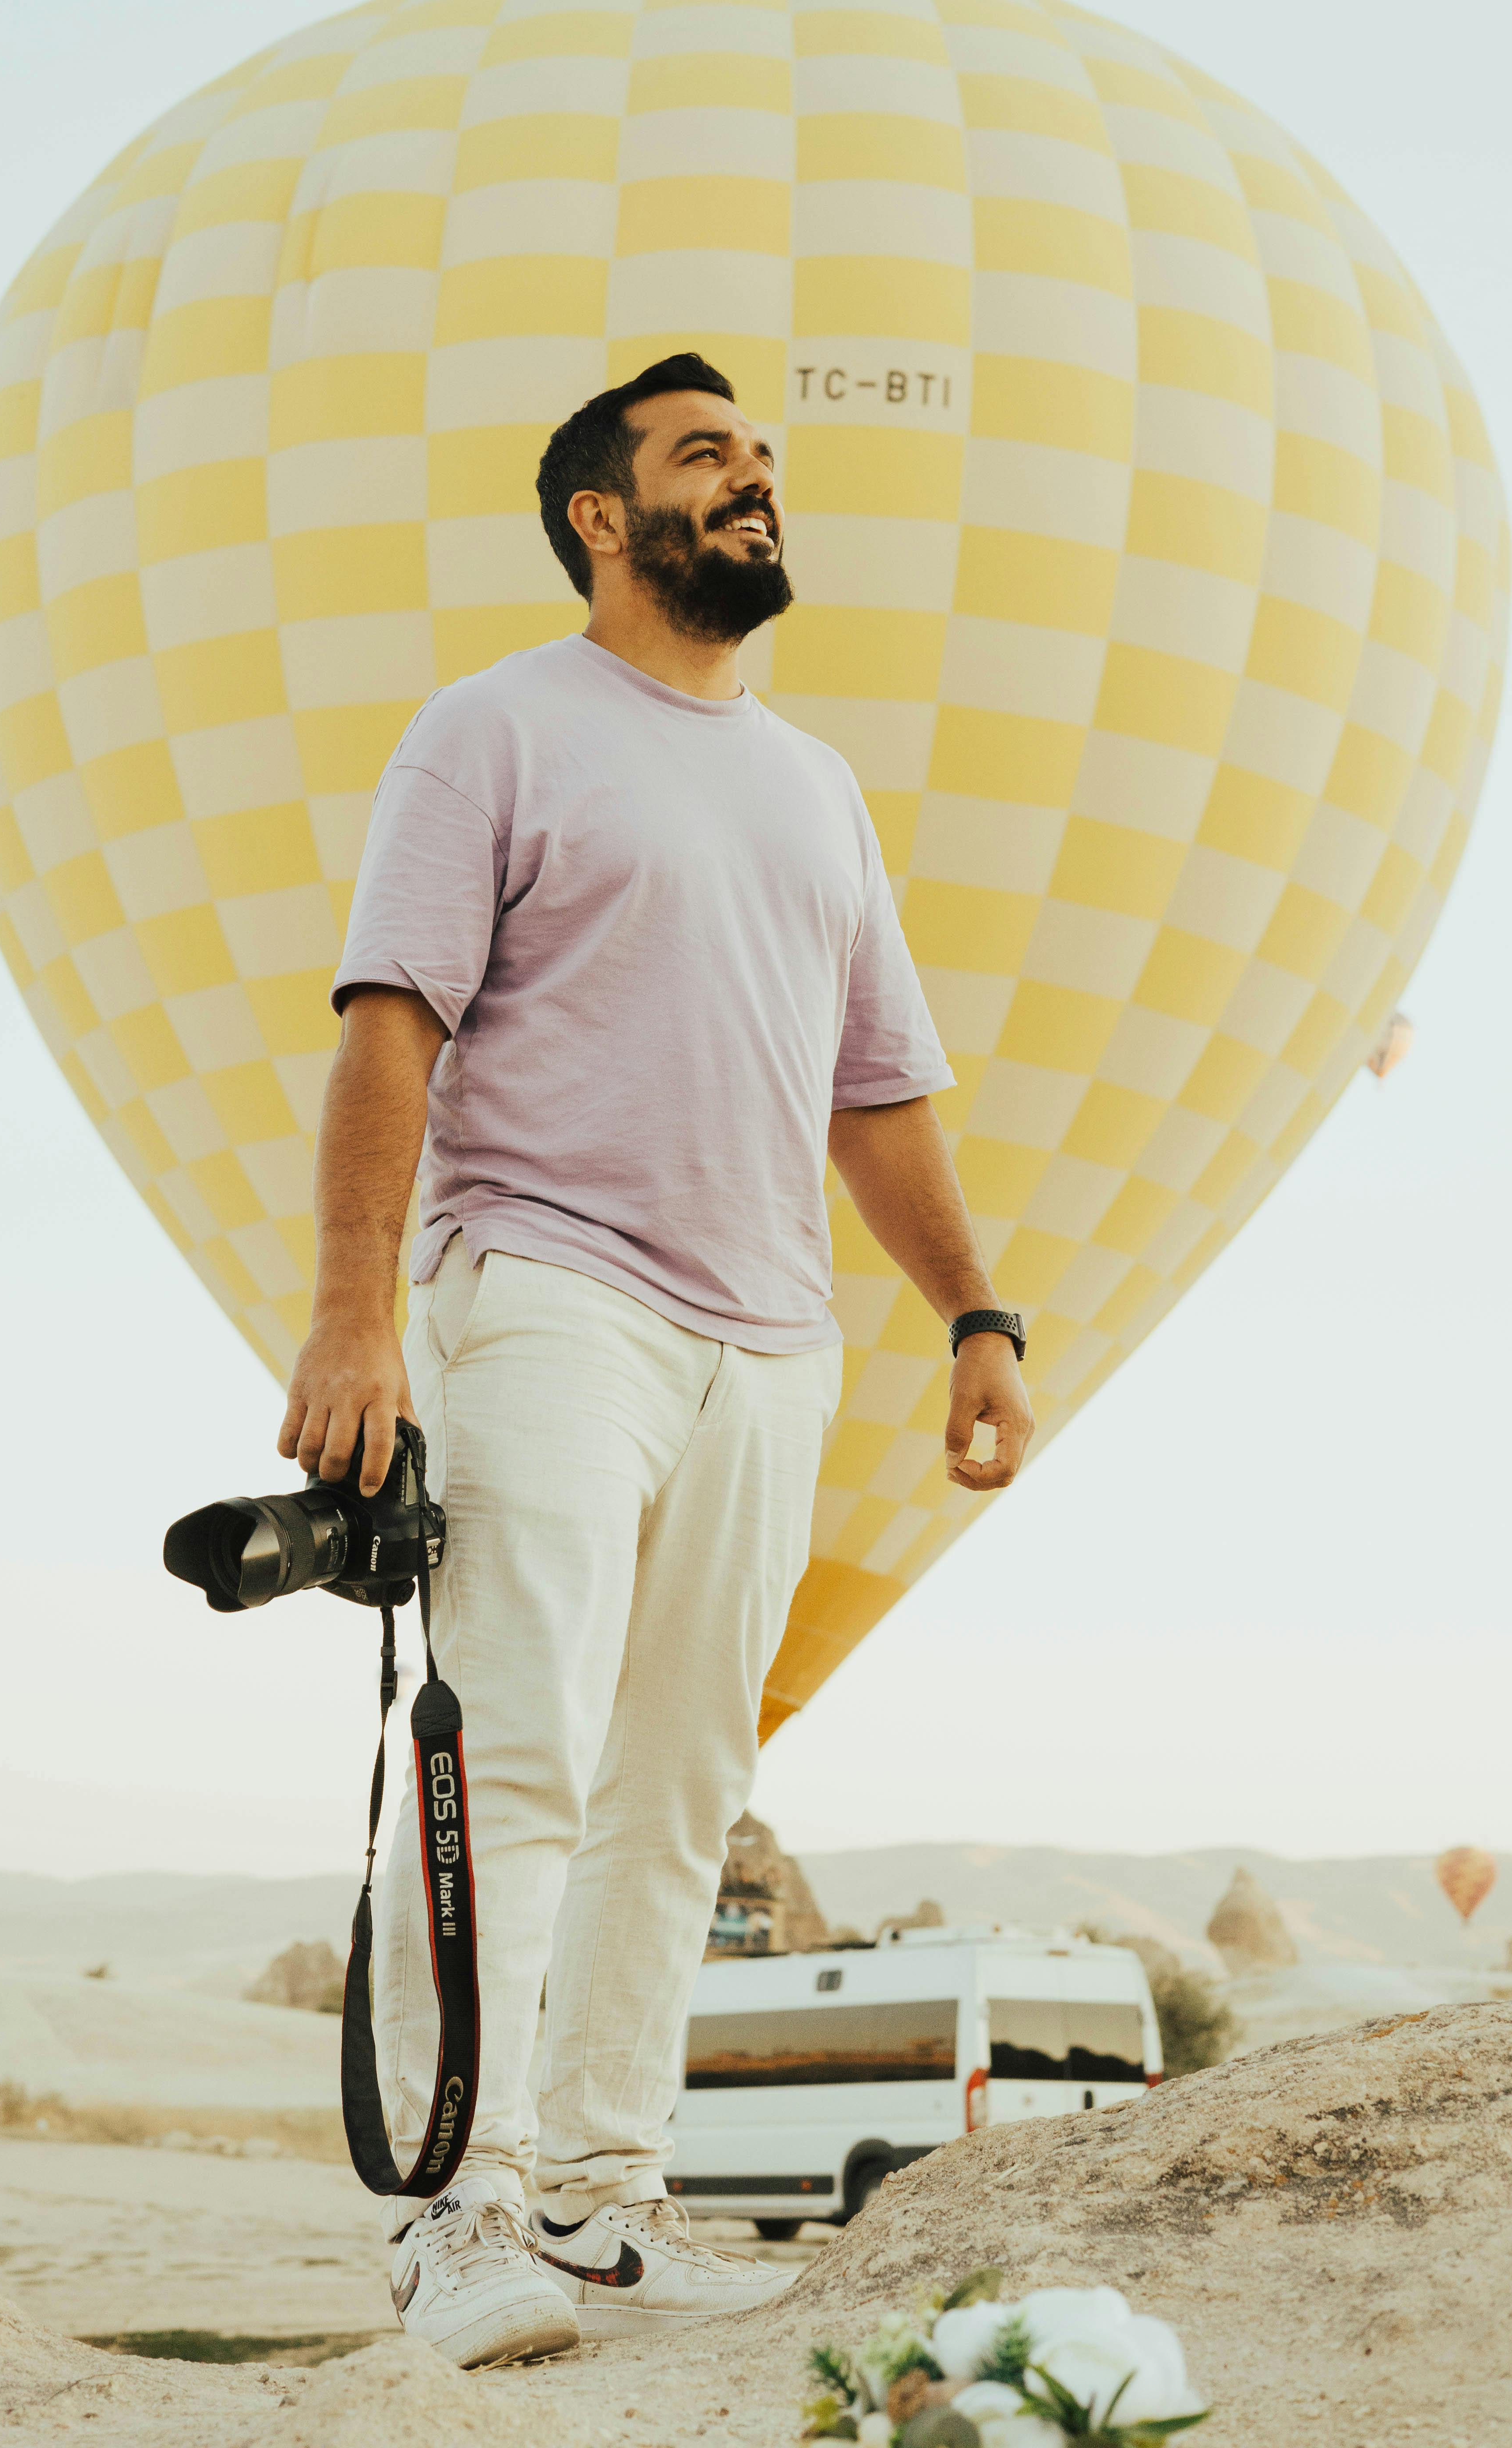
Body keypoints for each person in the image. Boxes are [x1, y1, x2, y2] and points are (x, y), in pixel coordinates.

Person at [280, 351, 1034, 2367]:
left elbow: (879, 1096)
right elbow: (389, 1030)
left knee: (684, 1784)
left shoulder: (816, 783)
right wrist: (360, 1312)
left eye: (766, 459)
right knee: (513, 1746)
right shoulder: (496, 729)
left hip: (770, 1334)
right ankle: (463, 2214)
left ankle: (608, 2198)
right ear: (602, 519)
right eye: (710, 457)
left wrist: (973, 1313)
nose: (758, 484)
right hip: (548, 1290)